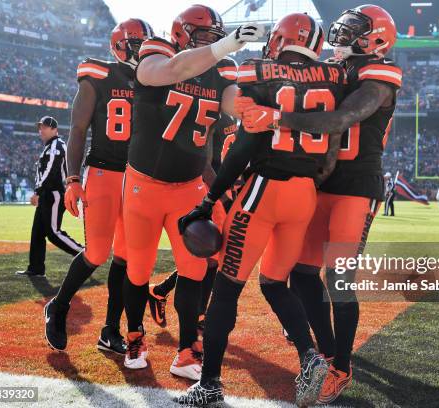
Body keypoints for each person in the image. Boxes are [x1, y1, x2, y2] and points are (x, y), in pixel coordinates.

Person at [176, 12, 347, 407]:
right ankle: (309, 356)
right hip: (304, 195)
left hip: (266, 190)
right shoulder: (333, 79)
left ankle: (210, 385)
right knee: (274, 283)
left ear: (280, 40)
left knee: (226, 291)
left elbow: (243, 149)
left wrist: (208, 199)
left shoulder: (261, 74)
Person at [237, 4, 401, 403]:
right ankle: (327, 353)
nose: (342, 35)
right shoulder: (330, 70)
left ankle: (341, 369)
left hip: (356, 188)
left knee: (339, 282)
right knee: (301, 273)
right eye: (344, 28)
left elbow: (342, 119)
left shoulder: (381, 74)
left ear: (375, 38)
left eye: (355, 30)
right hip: (321, 184)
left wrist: (276, 117)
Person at [120, 4, 263, 374]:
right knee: (138, 269)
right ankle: (134, 337)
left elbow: (238, 104)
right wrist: (228, 44)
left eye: (217, 38)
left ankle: (187, 350)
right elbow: (170, 71)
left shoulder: (220, 73)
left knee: (194, 269)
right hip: (143, 185)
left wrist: (268, 95)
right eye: (205, 38)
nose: (213, 45)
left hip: (188, 187)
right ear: (181, 33)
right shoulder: (157, 50)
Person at [43, 19, 153, 354]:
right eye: (137, 45)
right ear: (120, 45)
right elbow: (77, 129)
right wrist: (72, 178)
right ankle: (58, 307)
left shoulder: (153, 80)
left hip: (136, 178)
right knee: (97, 252)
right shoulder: (100, 74)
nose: (144, 52)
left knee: (124, 257)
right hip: (104, 172)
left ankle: (110, 331)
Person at [147, 113, 238, 331]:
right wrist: (222, 197)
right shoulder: (211, 112)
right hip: (208, 190)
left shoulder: (232, 113)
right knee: (210, 254)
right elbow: (204, 163)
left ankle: (161, 291)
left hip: (221, 188)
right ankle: (198, 313)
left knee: (213, 257)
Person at [16, 116, 83, 277]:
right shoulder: (50, 146)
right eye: (40, 127)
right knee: (38, 232)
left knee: (53, 232)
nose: (41, 130)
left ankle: (84, 254)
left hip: (54, 194)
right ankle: (36, 268)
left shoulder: (56, 146)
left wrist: (37, 191)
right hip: (48, 193)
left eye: (44, 127)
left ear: (54, 129)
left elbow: (51, 171)